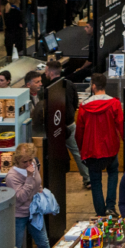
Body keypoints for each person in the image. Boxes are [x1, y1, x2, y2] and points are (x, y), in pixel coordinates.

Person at [75, 73, 124, 216]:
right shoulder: (114, 103)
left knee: (95, 181)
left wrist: (81, 149)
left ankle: (100, 213)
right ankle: (110, 206)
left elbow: (79, 132)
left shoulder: (84, 106)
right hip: (110, 148)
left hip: (91, 150)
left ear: (94, 86)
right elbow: (121, 125)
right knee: (113, 173)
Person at [43, 59, 90, 188]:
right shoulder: (70, 84)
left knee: (54, 155)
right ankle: (87, 179)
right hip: (70, 124)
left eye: (46, 71)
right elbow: (76, 103)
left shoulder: (49, 89)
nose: (45, 73)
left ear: (50, 72)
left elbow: (48, 111)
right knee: (77, 152)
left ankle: (54, 182)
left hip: (55, 129)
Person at [7, 142, 50, 248]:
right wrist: (29, 178)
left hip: (35, 211)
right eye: (24, 162)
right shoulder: (12, 176)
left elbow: (38, 182)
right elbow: (21, 198)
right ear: (17, 161)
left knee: (44, 244)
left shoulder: (34, 164)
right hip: (19, 215)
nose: (28, 164)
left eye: (30, 160)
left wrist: (40, 191)